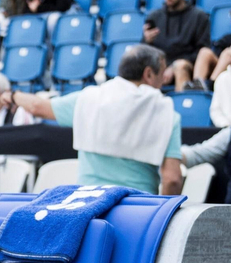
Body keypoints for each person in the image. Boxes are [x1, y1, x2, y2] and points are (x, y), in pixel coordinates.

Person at [16, 44, 185, 193]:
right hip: (139, 210)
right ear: (148, 74)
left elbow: (36, 107)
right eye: (162, 74)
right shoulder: (167, 112)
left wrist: (12, 95)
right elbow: (172, 179)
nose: (163, 81)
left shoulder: (88, 98)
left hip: (89, 204)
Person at [144, 0, 211, 90]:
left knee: (180, 66)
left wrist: (172, 67)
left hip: (187, 65)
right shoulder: (154, 17)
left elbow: (201, 51)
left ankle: (182, 104)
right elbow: (144, 51)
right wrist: (147, 41)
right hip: (159, 67)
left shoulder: (199, 16)